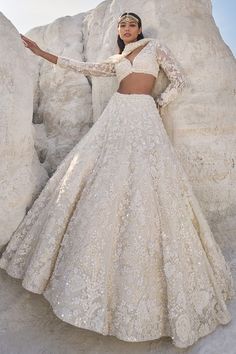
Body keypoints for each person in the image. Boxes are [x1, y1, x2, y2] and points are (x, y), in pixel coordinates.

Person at [0, 12, 235, 349]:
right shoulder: (116, 58)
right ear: (119, 32)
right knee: (98, 177)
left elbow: (178, 80)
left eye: (131, 23)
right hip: (117, 115)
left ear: (139, 29)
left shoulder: (155, 47)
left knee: (147, 184)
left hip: (143, 115)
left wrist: (158, 102)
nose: (126, 28)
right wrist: (40, 52)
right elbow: (82, 68)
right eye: (122, 24)